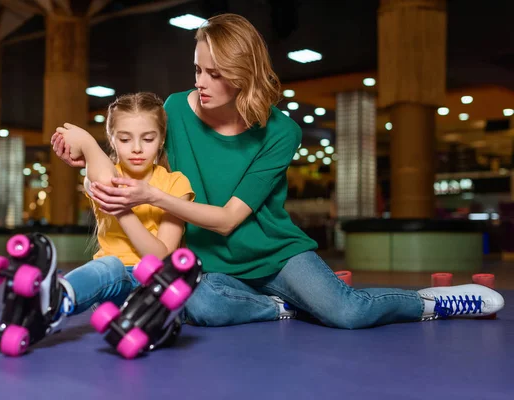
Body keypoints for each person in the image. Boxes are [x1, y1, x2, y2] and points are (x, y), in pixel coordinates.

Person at [54, 14, 504, 328]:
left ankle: (432, 302)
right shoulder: (175, 109)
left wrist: (150, 198)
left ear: (243, 72)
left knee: (346, 314)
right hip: (208, 263)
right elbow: (138, 150)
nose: (201, 83)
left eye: (215, 73)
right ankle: (278, 307)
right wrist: (90, 152)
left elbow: (230, 219)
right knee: (199, 309)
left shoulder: (280, 131)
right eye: (197, 69)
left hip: (274, 253)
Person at [47, 92, 194, 327]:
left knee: (117, 267)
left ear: (162, 138)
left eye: (148, 139)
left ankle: (55, 297)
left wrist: (85, 142)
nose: (137, 149)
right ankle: (53, 300)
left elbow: (161, 258)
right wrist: (90, 148)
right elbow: (106, 181)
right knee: (111, 266)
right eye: (125, 139)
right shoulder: (100, 175)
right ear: (112, 138)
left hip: (152, 286)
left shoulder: (176, 183)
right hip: (110, 286)